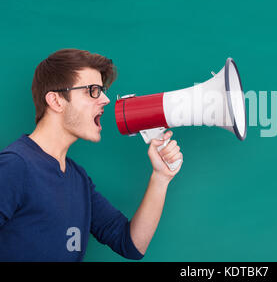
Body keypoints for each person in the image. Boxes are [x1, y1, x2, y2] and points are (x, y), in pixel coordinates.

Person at [0, 49, 183, 261]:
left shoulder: (78, 179)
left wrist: (160, 178)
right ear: (56, 100)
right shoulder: (14, 166)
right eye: (92, 91)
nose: (105, 99)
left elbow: (131, 244)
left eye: (102, 90)